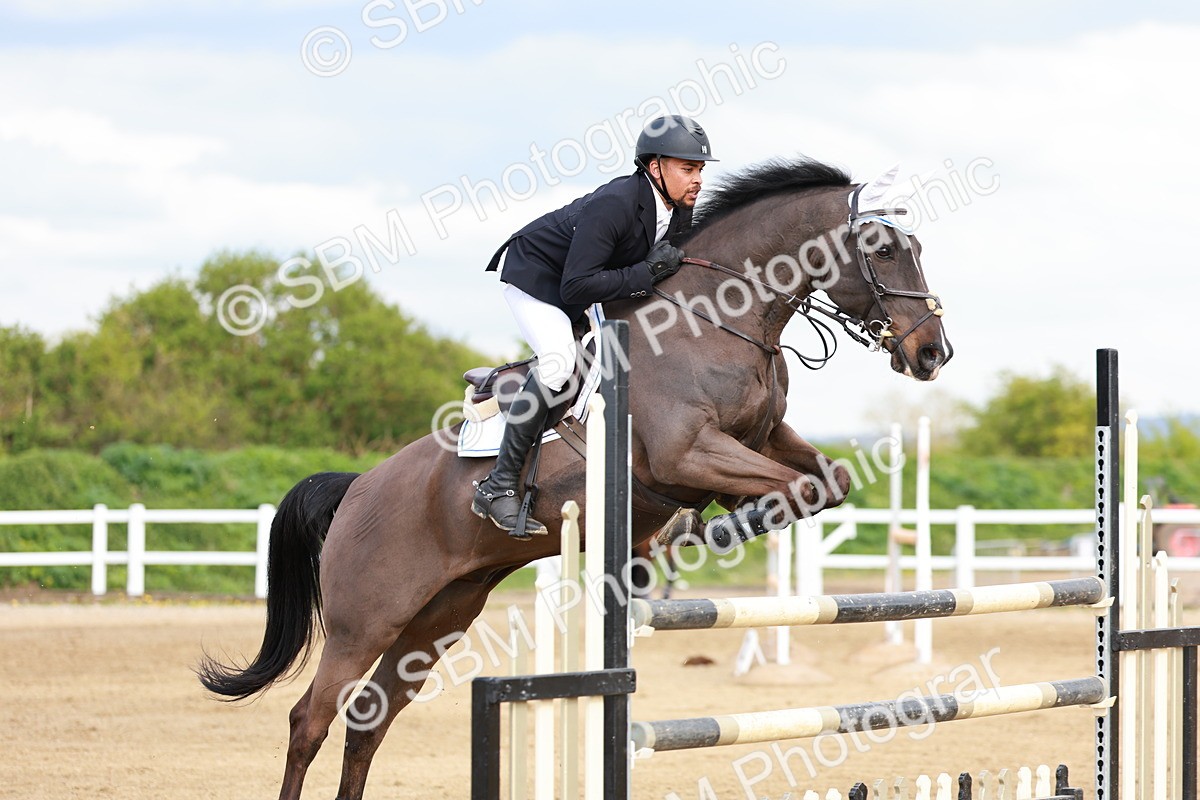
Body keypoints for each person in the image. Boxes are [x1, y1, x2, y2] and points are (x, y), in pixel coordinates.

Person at [473, 114, 717, 539]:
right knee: (557, 363)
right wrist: (645, 272)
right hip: (538, 280)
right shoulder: (617, 202)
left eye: (699, 170)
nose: (697, 180)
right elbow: (577, 284)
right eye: (688, 168)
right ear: (654, 167)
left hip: (588, 286)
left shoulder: (678, 211)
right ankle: (497, 486)